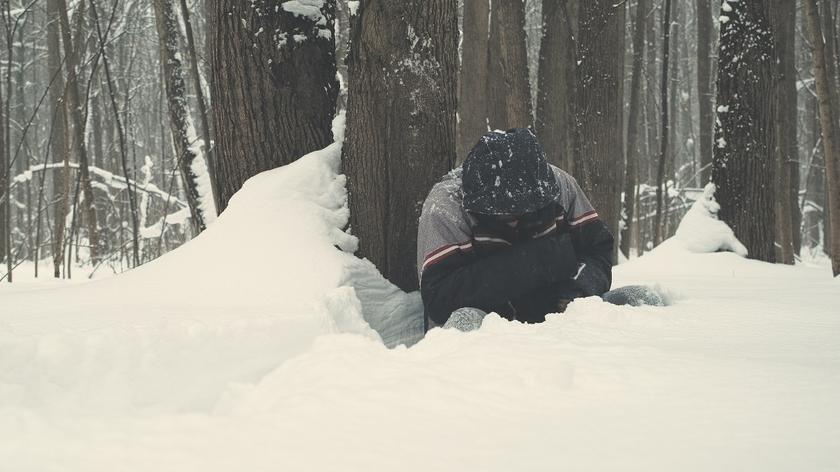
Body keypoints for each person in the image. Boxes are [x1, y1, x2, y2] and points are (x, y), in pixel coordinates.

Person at [416, 128, 615, 332]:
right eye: (502, 213)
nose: (513, 222)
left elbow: (598, 251)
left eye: (523, 212)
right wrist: (539, 260)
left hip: (557, 325)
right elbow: (440, 300)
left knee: (635, 298)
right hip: (484, 336)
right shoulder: (445, 208)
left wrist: (576, 292)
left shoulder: (561, 187)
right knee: (463, 320)